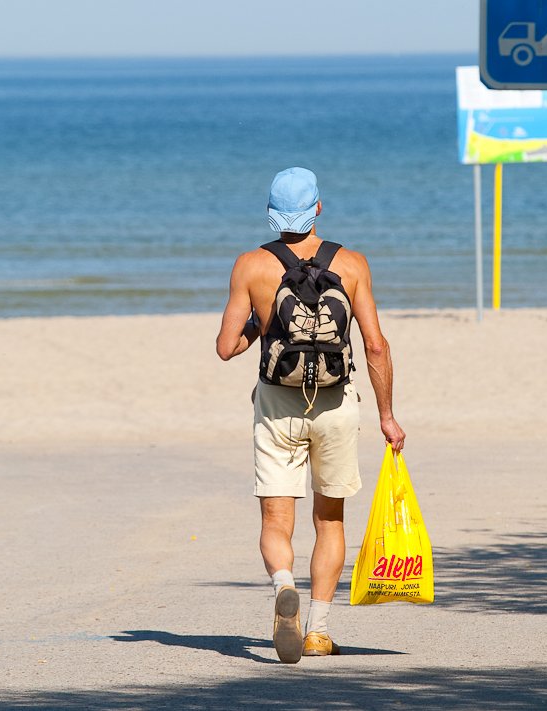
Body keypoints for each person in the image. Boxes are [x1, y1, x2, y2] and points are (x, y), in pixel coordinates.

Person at [215, 167, 405, 663]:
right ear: (318, 207)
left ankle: (283, 587)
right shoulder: (354, 263)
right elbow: (376, 346)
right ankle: (318, 630)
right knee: (331, 520)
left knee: (277, 518)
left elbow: (225, 347)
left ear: (273, 214)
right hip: (337, 404)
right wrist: (387, 415)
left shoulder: (250, 266)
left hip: (277, 405)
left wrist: (262, 323)